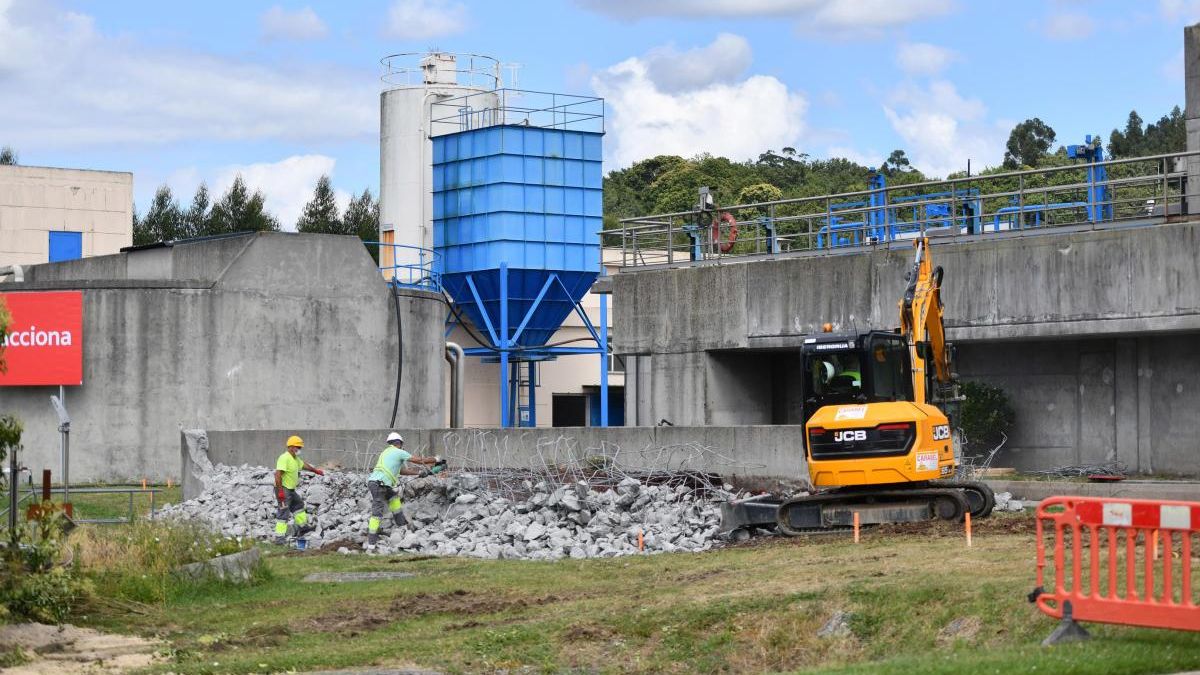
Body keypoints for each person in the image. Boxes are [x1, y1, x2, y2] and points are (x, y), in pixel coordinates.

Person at [365, 432, 444, 550]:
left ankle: (402, 526)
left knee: (394, 499)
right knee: (377, 512)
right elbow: (419, 460)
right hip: (378, 484)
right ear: (399, 443)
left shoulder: (386, 453)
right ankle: (371, 544)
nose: (402, 446)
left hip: (380, 484)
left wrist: (419, 473)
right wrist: (436, 459)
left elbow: (402, 471)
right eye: (401, 444)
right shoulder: (398, 452)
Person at [273, 435, 324, 545]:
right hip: (283, 489)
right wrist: (280, 492)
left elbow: (304, 465)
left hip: (290, 489)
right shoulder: (284, 458)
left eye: (300, 448)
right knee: (283, 513)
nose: (299, 450)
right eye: (298, 447)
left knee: (299, 506)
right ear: (291, 447)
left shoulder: (295, 459)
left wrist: (316, 471)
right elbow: (277, 475)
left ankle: (303, 527)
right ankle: (279, 539)